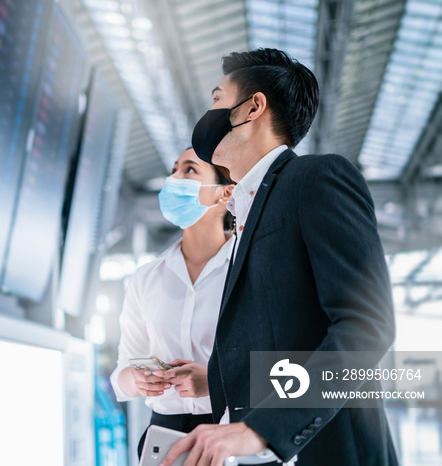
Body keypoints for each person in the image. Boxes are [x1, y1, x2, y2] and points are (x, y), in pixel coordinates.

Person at [160, 48, 398, 466]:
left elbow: (367, 326)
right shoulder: (247, 213)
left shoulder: (316, 178)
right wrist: (218, 381)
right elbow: (290, 333)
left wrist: (262, 428)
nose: (208, 113)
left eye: (217, 99)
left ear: (252, 107)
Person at [109, 147, 235, 457]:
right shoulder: (145, 279)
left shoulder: (252, 272)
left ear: (225, 194)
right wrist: (138, 380)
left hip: (232, 434)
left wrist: (215, 382)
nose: (173, 179)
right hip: (162, 440)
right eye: (174, 170)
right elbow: (121, 377)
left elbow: (289, 372)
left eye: (190, 170)